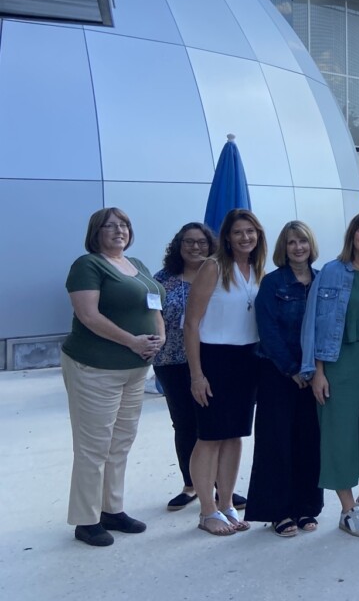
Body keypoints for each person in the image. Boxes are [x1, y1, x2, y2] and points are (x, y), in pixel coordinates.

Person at [63, 208, 165, 546]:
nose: (119, 230)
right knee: (94, 446)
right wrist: (132, 341)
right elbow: (88, 315)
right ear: (96, 232)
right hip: (95, 369)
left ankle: (112, 509)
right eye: (110, 226)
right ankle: (85, 520)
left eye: (124, 225)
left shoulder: (138, 265)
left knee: (120, 442)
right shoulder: (87, 266)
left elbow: (154, 307)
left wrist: (159, 337)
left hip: (134, 371)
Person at [300, 210, 359, 538]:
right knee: (339, 435)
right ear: (352, 234)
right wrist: (317, 372)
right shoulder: (331, 272)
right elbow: (313, 323)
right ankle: (346, 508)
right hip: (339, 363)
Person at [184, 208, 266, 536]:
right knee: (210, 437)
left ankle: (227, 502)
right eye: (238, 232)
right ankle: (207, 510)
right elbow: (190, 324)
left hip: (248, 358)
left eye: (251, 231)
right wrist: (196, 374)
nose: (245, 237)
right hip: (214, 359)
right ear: (228, 238)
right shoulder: (213, 267)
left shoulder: (259, 270)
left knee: (234, 436)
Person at [247, 221, 323, 536]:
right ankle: (279, 511)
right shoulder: (273, 283)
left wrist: (314, 369)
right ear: (283, 247)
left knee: (310, 441)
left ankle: (306, 507)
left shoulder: (322, 281)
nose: (298, 247)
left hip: (314, 374)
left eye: (302, 241)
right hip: (278, 373)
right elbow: (268, 331)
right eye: (291, 242)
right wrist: (292, 369)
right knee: (276, 442)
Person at [152, 222, 216, 513]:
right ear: (178, 246)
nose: (195, 247)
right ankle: (190, 485)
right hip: (172, 361)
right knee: (184, 423)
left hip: (212, 360)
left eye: (201, 242)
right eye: (189, 242)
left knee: (214, 424)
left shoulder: (219, 276)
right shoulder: (162, 280)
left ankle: (219, 486)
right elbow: (151, 316)